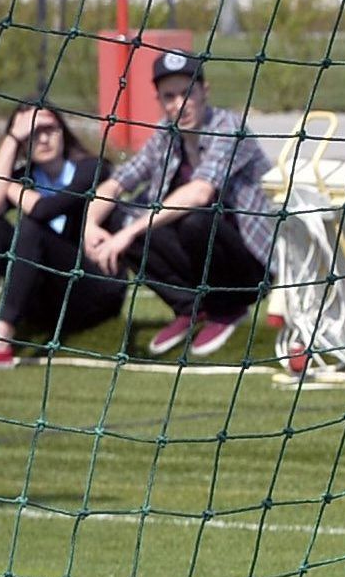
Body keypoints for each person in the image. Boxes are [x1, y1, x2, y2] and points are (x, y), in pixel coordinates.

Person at [82, 49, 275, 358]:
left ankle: (229, 309)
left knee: (194, 217)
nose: (179, 104)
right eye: (169, 96)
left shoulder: (229, 128)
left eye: (187, 93)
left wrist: (129, 233)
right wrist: (90, 226)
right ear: (159, 100)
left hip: (250, 265)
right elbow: (117, 182)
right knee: (116, 219)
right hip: (199, 256)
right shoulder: (164, 135)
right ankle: (190, 308)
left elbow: (199, 193)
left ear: (204, 91)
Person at [0, 104, 125, 369]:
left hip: (92, 293)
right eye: (32, 134)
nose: (43, 139)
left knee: (33, 226)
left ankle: (1, 343)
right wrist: (11, 139)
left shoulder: (92, 168)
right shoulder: (27, 176)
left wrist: (6, 185)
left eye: (48, 130)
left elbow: (46, 209)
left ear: (63, 131)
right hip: (46, 297)